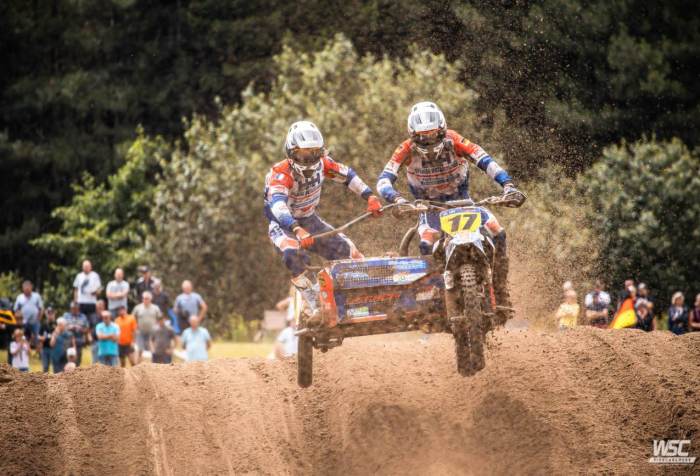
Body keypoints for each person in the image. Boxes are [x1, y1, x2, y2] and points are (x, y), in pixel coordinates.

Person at [376, 102, 526, 326]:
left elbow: (486, 161)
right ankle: (435, 298)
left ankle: (500, 288)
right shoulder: (405, 149)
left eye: (433, 134)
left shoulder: (455, 140)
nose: (429, 140)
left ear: (442, 129)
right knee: (426, 242)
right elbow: (383, 180)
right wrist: (397, 200)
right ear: (413, 135)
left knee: (497, 231)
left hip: (463, 203)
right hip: (430, 208)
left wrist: (508, 185)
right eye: (423, 136)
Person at [264, 121, 381, 324]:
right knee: (292, 254)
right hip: (284, 225)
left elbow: (348, 175)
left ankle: (353, 297)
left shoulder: (324, 164)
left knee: (348, 253)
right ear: (291, 152)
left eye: (314, 153)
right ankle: (312, 302)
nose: (309, 159)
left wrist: (369, 196)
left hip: (310, 219)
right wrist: (296, 229)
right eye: (303, 154)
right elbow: (277, 205)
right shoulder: (280, 174)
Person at [132, 291, 162, 363]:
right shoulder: (137, 308)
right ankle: (138, 366)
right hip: (140, 332)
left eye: (147, 298)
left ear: (150, 299)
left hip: (152, 332)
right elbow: (132, 319)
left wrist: (158, 329)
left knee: (153, 350)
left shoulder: (155, 308)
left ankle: (154, 365)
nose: (145, 300)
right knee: (139, 349)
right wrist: (135, 329)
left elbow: (160, 319)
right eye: (144, 298)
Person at [14, 280, 44, 348]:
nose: (27, 289)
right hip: (23, 322)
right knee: (23, 336)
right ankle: (23, 348)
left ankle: (36, 350)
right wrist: (18, 319)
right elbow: (16, 309)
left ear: (31, 287)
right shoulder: (20, 297)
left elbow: (41, 308)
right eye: (25, 288)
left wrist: (39, 319)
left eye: (28, 287)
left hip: (35, 321)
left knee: (36, 336)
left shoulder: (36, 296)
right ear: (23, 288)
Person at [63, 302, 91, 366]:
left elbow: (87, 329)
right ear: (70, 308)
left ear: (78, 309)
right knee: (66, 361)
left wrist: (80, 329)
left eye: (75, 308)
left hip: (79, 341)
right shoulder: (66, 316)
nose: (74, 310)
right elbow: (61, 327)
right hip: (67, 341)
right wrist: (69, 327)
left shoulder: (83, 316)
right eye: (72, 308)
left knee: (77, 362)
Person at [38, 307, 57, 372]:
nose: (50, 315)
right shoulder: (43, 324)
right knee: (45, 367)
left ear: (54, 314)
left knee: (55, 367)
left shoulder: (56, 324)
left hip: (54, 348)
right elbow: (39, 336)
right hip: (45, 348)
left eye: (52, 313)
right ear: (46, 314)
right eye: (49, 313)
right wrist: (42, 338)